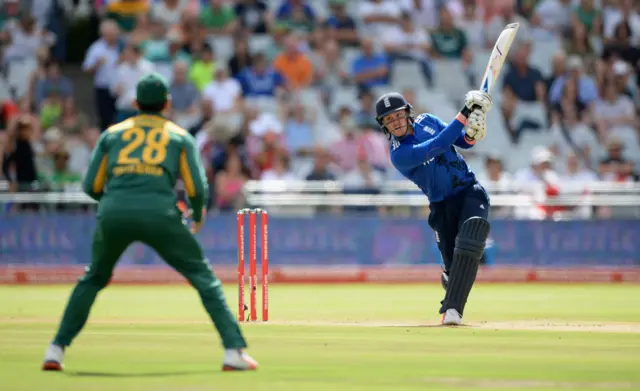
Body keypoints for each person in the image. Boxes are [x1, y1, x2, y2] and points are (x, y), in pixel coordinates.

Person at [41, 73, 258, 372]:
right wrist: (196, 215)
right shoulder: (179, 136)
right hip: (160, 213)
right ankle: (233, 352)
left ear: (134, 103)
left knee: (93, 278)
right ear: (167, 103)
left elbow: (91, 185)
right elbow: (197, 188)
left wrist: (116, 199)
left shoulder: (112, 134)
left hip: (114, 212)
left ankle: (55, 350)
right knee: (203, 277)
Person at [375, 90, 492, 325]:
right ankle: (451, 277)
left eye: (398, 115)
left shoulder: (427, 121)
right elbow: (436, 146)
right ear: (384, 126)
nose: (395, 123)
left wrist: (473, 130)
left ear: (407, 113)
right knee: (454, 264)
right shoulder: (399, 154)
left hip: (469, 190)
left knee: (471, 237)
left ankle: (453, 310)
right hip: (442, 206)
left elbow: (462, 142)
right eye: (389, 120)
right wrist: (465, 112)